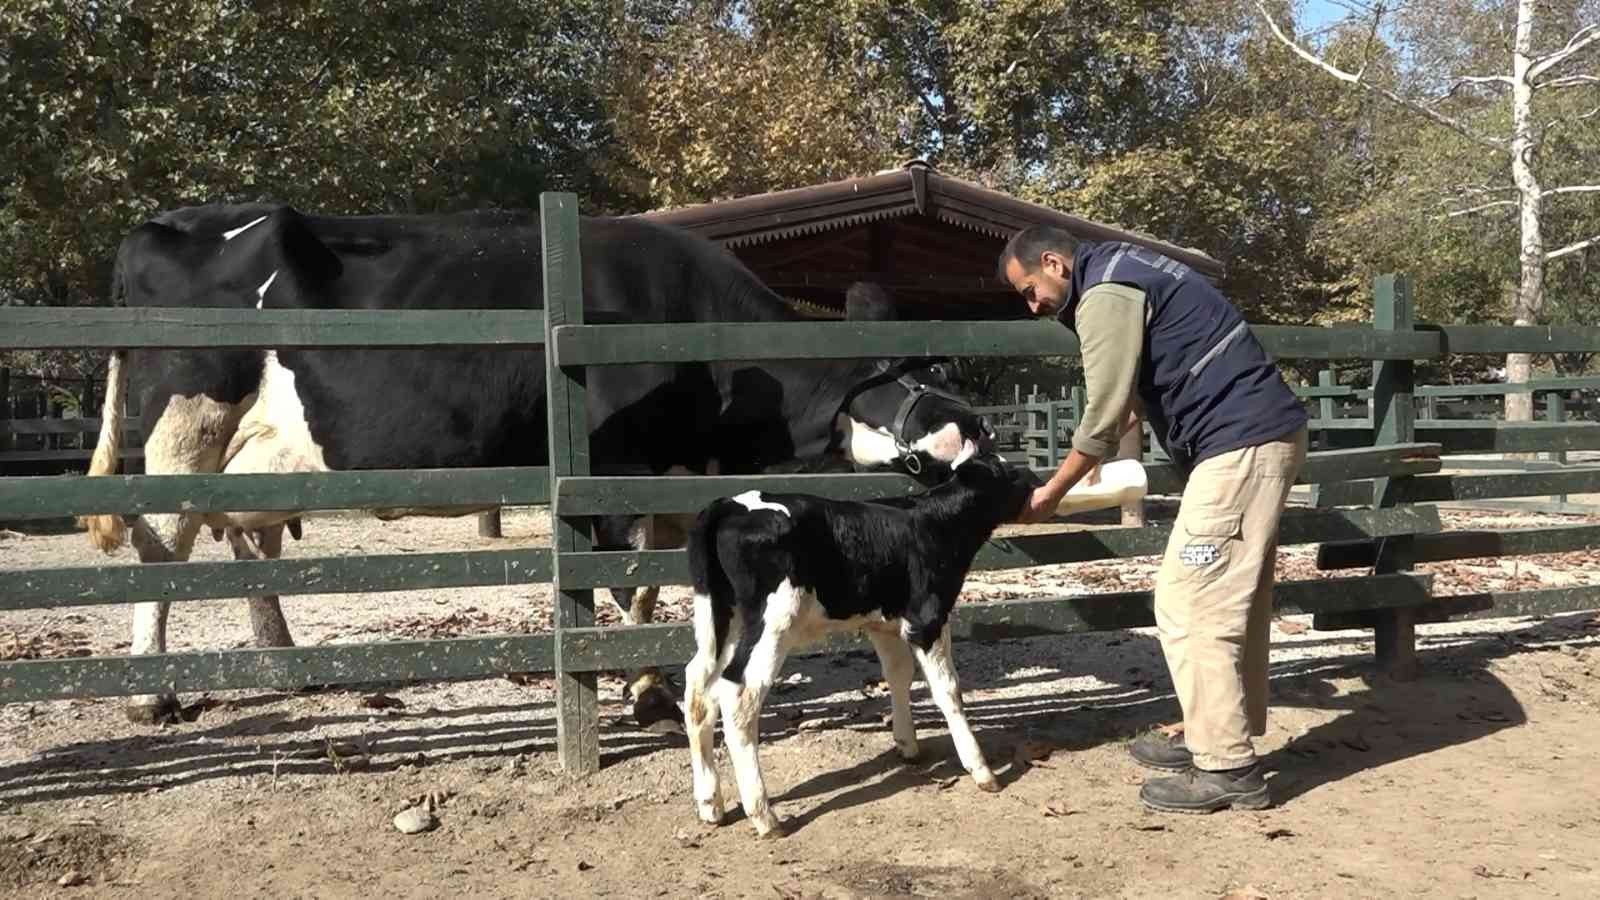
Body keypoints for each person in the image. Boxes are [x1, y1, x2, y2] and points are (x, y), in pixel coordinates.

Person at [998, 226, 1309, 813]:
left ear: (1052, 263)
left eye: (1030, 289)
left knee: (1189, 602)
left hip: (1238, 443)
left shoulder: (1105, 291)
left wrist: (1051, 495)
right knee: (1232, 599)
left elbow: (1107, 405)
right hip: (1260, 435)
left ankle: (1228, 769)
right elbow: (1138, 393)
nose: (1032, 304)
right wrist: (1098, 461)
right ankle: (1213, 735)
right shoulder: (1129, 268)